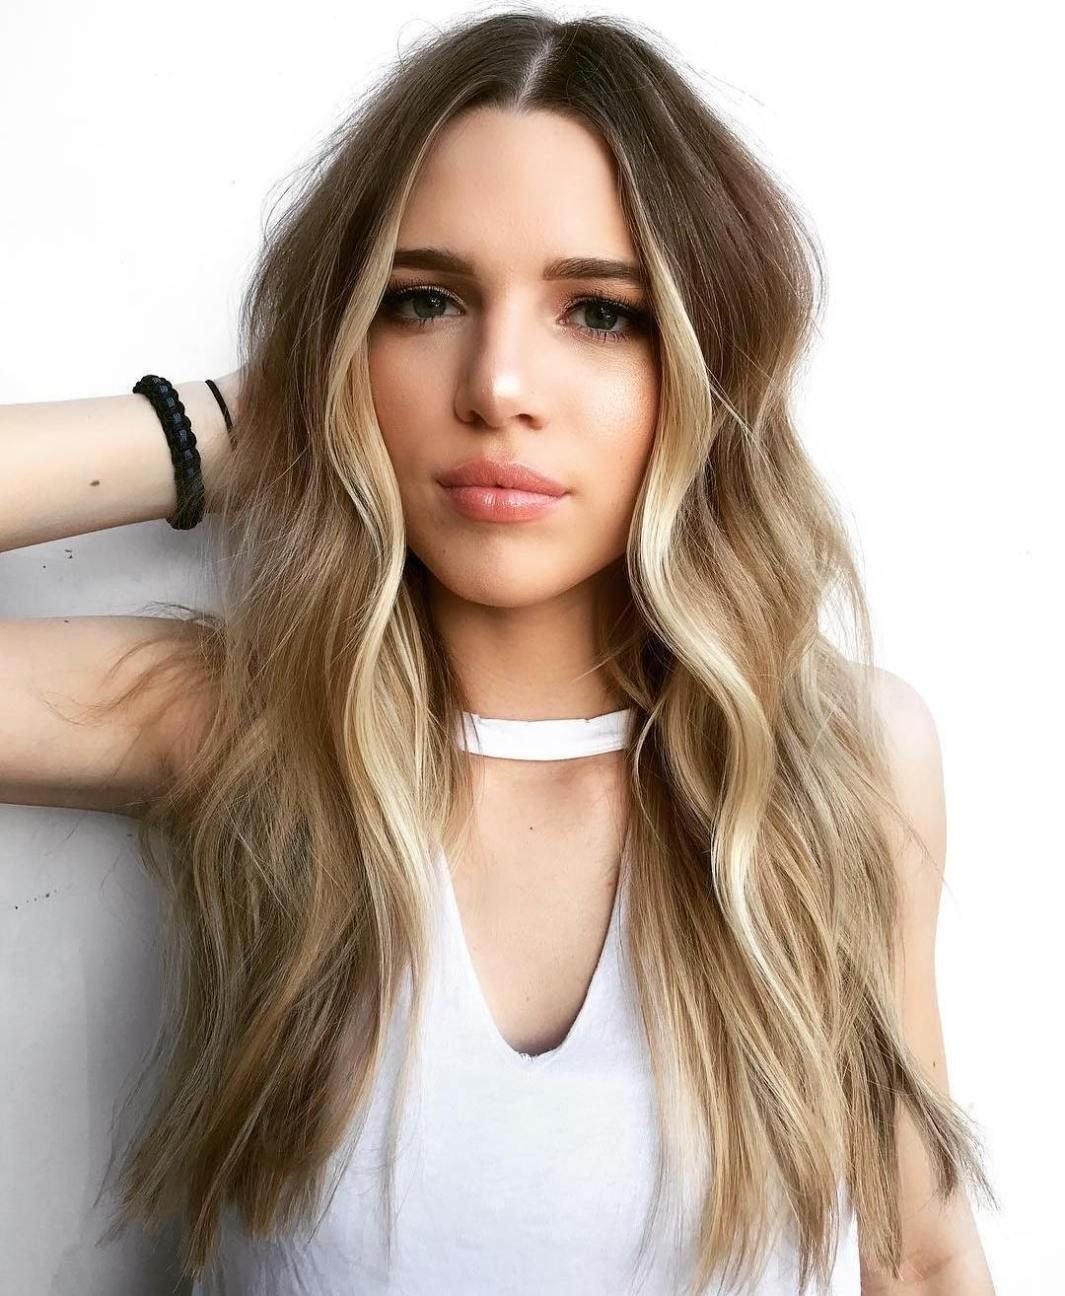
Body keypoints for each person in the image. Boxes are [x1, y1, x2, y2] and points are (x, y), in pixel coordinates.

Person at [0, 9, 997, 1294]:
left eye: (599, 312)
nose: (498, 384)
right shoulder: (240, 719)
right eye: (423, 301)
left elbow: (919, 1260)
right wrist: (235, 424)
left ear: (703, 360)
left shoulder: (837, 758)